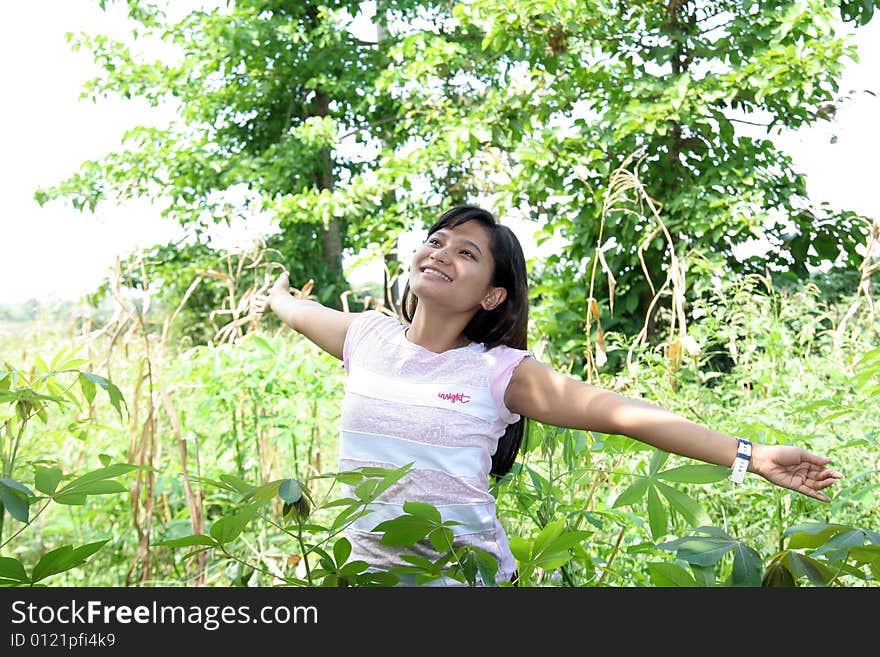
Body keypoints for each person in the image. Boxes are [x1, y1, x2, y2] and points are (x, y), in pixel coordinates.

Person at [250, 204, 843, 586]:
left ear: (491, 297)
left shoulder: (500, 373)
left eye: (467, 253)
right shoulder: (366, 336)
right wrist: (275, 296)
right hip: (365, 579)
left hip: (467, 581)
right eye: (437, 240)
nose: (442, 252)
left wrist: (750, 455)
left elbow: (623, 415)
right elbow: (299, 309)